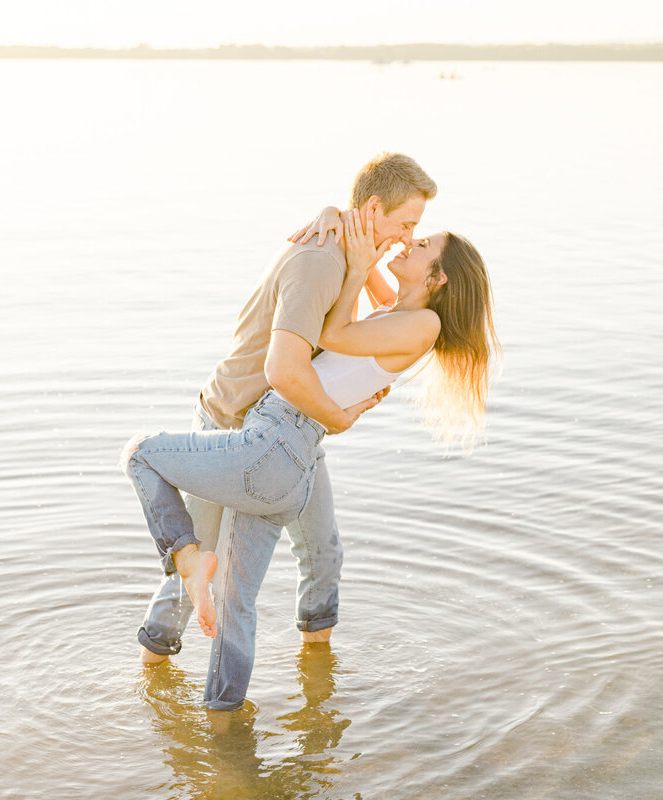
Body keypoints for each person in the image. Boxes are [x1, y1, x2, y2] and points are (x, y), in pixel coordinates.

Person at [123, 206, 500, 711]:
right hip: (289, 446)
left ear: (439, 275)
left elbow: (331, 334)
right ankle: (227, 713)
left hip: (278, 440)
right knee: (239, 599)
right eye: (410, 231)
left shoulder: (424, 324)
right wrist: (341, 219)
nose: (409, 243)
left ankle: (187, 564)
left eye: (423, 243)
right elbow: (370, 282)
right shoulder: (403, 311)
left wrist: (360, 258)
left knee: (141, 457)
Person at [130, 154, 438, 675]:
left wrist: (341, 222)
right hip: (235, 419)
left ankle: (319, 670)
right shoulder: (323, 259)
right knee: (197, 571)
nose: (409, 238)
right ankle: (152, 666)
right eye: (406, 224)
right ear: (373, 208)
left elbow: (381, 315)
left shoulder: (349, 254)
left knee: (323, 552)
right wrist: (340, 419)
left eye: (418, 231)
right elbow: (295, 361)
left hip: (292, 430)